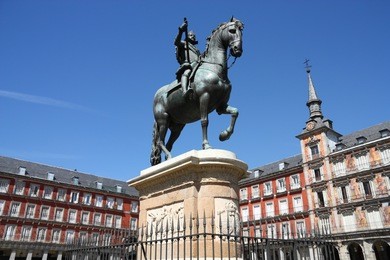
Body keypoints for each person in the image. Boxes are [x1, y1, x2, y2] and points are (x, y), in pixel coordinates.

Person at [174, 20, 201, 99]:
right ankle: (185, 90)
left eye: (194, 36)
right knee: (187, 72)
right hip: (188, 65)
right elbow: (176, 42)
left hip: (197, 65)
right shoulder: (183, 44)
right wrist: (181, 30)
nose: (193, 37)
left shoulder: (197, 50)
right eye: (191, 35)